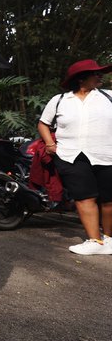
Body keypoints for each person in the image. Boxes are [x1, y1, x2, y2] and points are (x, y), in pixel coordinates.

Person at [38, 59, 112, 255]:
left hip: (106, 153)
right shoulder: (60, 100)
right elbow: (43, 123)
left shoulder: (109, 97)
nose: (100, 76)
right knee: (84, 196)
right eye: (95, 73)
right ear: (81, 79)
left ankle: (109, 240)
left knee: (109, 199)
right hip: (71, 155)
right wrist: (49, 144)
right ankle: (94, 240)